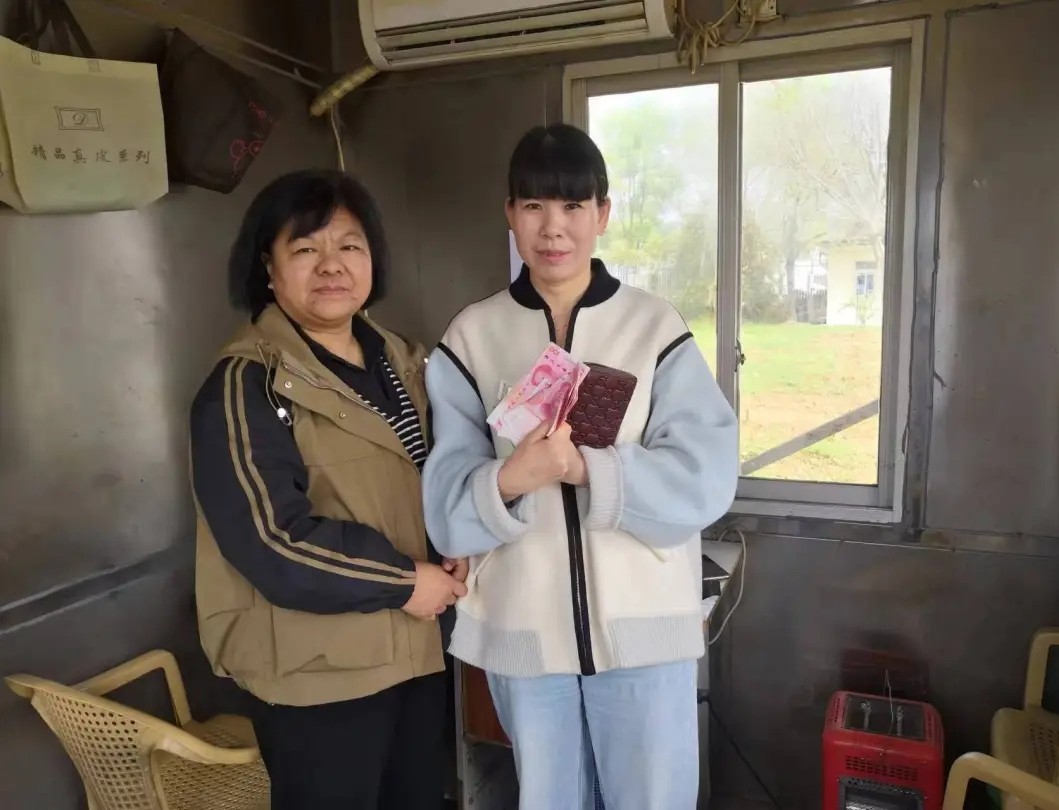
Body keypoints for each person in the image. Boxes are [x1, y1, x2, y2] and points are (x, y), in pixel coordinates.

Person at [422, 123, 740, 810]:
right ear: (510, 215)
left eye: (572, 205)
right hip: (524, 635)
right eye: (534, 206)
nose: (553, 228)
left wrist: (591, 471)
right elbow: (445, 505)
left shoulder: (654, 328)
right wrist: (513, 478)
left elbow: (707, 474)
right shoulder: (470, 338)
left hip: (644, 635)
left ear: (602, 214)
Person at [189, 169, 467, 810]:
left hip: (418, 651)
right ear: (268, 267)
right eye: (305, 248)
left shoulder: (403, 361)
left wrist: (457, 544)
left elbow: (430, 477)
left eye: (349, 245)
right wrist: (405, 580)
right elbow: (273, 542)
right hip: (318, 677)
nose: (331, 265)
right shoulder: (246, 386)